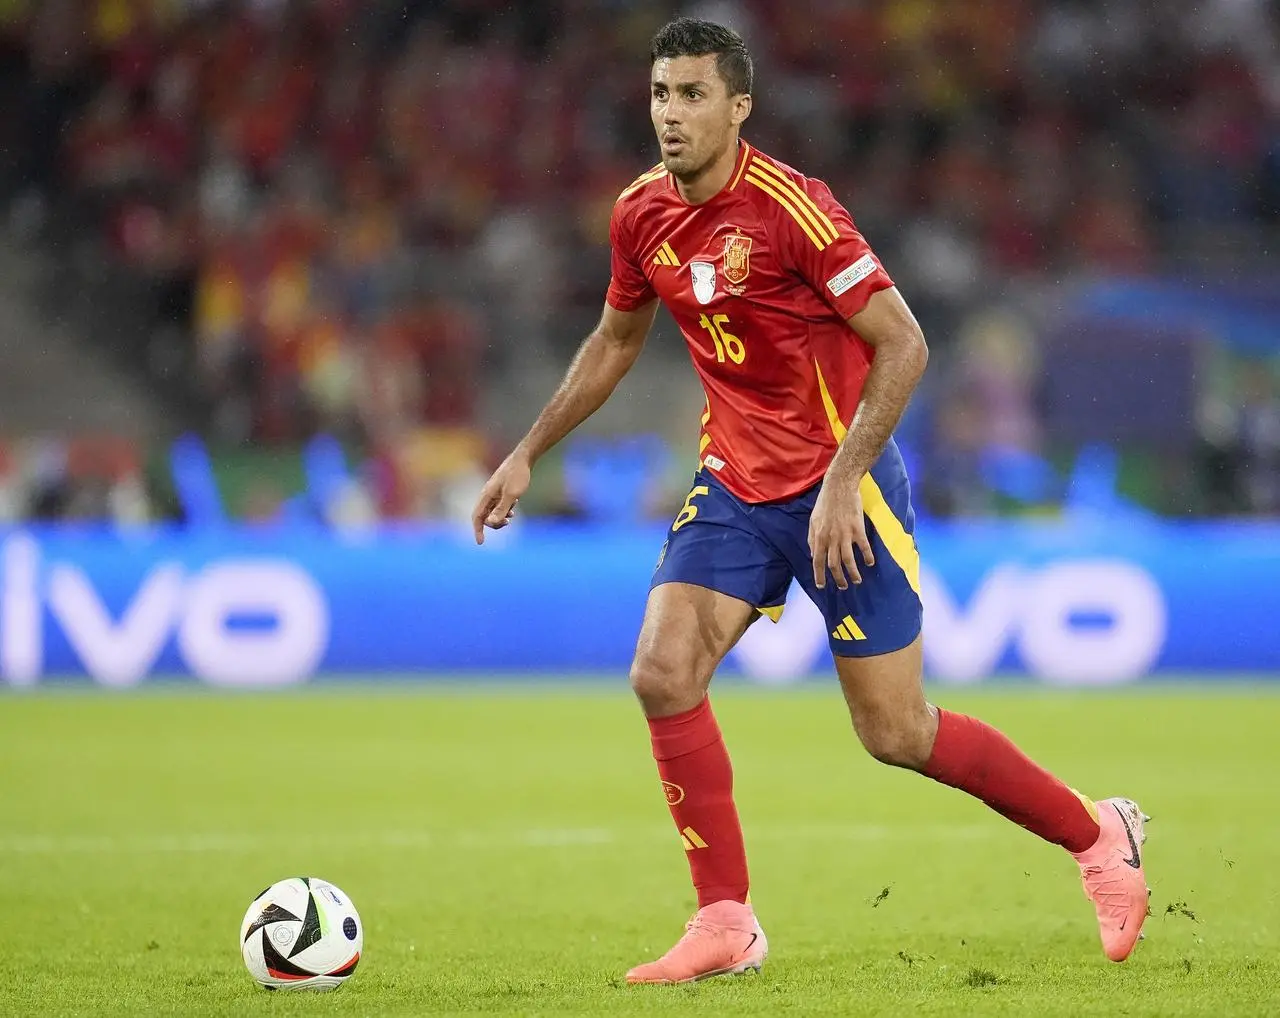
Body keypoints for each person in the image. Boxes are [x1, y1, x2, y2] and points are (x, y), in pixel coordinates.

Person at [472, 17, 1151, 984]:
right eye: (661, 94)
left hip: (845, 485)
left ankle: (1098, 835)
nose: (671, 114)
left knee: (896, 733)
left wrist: (842, 482)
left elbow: (904, 343)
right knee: (663, 670)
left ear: (738, 105)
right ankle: (726, 919)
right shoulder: (640, 215)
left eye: (693, 95)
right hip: (738, 482)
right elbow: (618, 340)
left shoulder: (795, 208)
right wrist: (527, 451)